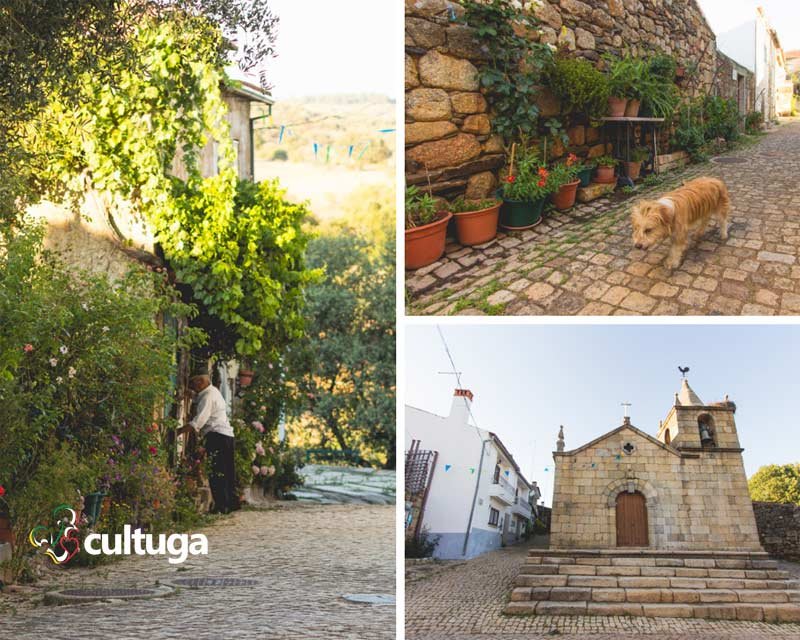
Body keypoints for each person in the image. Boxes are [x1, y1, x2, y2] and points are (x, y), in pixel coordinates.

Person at [178, 374, 237, 514]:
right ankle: (231, 503)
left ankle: (221, 506)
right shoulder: (212, 391)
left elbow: (199, 421)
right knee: (227, 471)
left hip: (217, 436)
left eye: (193, 385)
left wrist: (178, 431)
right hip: (227, 436)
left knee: (217, 472)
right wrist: (191, 395)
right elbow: (200, 399)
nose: (193, 388)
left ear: (200, 383)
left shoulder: (207, 396)